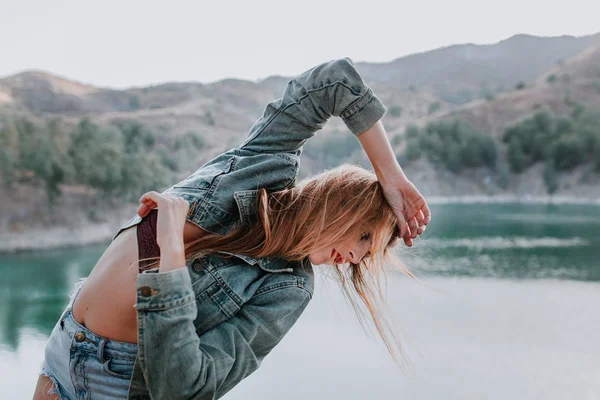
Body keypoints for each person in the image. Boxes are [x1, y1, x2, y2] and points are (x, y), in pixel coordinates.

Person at [33, 58, 430, 400]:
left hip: (116, 384)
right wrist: (390, 177)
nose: (354, 258)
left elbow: (187, 387)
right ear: (340, 205)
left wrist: (171, 259)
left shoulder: (288, 290)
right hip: (66, 341)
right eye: (365, 237)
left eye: (365, 257)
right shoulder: (259, 167)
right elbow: (335, 81)